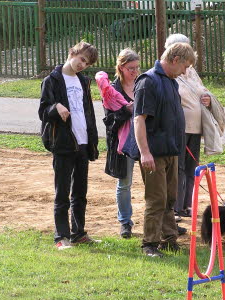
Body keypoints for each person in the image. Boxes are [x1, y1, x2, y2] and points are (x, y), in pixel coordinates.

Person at [123, 42, 197, 257]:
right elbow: (139, 120)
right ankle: (150, 244)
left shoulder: (172, 82)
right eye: (184, 66)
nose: (185, 72)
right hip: (154, 154)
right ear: (175, 60)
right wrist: (145, 152)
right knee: (156, 199)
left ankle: (169, 239)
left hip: (171, 152)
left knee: (170, 198)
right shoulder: (148, 82)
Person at [38, 41, 100, 250]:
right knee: (62, 192)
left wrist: (92, 139)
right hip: (63, 144)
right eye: (82, 59)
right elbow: (43, 112)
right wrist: (56, 107)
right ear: (72, 52)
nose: (83, 64)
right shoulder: (52, 80)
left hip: (82, 142)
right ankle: (61, 237)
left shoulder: (83, 81)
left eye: (87, 63)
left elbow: (88, 111)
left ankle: (78, 233)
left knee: (80, 192)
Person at [164, 34, 225, 221]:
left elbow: (201, 90)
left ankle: (187, 205)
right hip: (180, 128)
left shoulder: (191, 71)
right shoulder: (171, 73)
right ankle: (176, 207)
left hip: (195, 128)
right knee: (179, 168)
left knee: (192, 168)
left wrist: (208, 100)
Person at [95, 48, 140, 239]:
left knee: (155, 183)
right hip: (123, 144)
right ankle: (125, 222)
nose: (135, 72)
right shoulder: (112, 90)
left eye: (137, 67)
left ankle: (162, 220)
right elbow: (110, 122)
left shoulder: (142, 84)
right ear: (121, 68)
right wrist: (126, 111)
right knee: (125, 183)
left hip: (145, 139)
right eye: (131, 68)